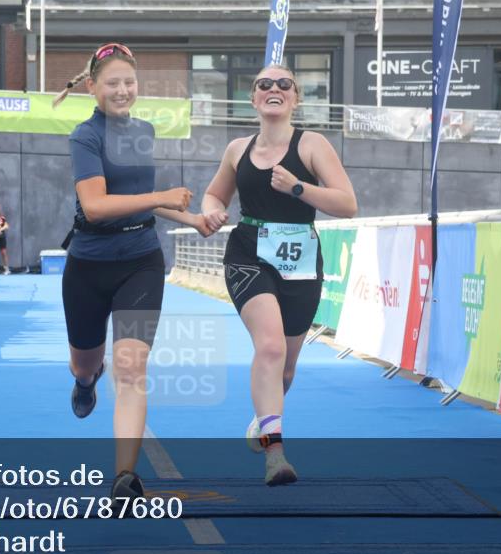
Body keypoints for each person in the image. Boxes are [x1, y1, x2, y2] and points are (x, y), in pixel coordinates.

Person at [54, 42, 209, 502]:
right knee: (85, 363)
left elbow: (141, 200)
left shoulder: (144, 130)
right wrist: (162, 197)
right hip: (88, 266)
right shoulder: (85, 137)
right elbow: (96, 206)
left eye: (129, 82)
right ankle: (85, 381)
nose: (123, 90)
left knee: (131, 366)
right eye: (112, 83)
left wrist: (192, 218)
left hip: (141, 262)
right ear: (92, 86)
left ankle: (125, 477)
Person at [200, 64, 357, 486]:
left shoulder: (312, 144)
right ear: (254, 99)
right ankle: (275, 453)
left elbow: (347, 204)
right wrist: (212, 210)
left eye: (284, 84)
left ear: (295, 98)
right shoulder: (237, 149)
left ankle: (264, 418)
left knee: (285, 369)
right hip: (248, 253)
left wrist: (297, 188)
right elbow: (215, 193)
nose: (275, 88)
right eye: (264, 84)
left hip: (300, 261)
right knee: (269, 348)